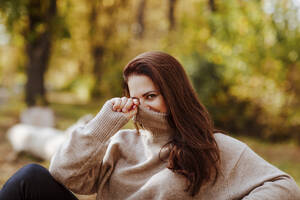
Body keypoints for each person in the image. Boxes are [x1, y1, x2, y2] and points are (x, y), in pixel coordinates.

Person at [1, 51, 300, 200]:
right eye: (134, 98)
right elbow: (63, 174)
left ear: (174, 95)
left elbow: (285, 186)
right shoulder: (121, 145)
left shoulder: (211, 147)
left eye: (152, 96)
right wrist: (105, 123)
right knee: (30, 177)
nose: (142, 105)